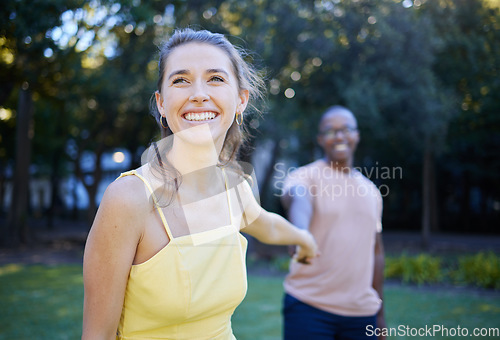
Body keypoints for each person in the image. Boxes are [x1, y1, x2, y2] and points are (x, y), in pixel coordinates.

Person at [82, 28, 318, 340]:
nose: (198, 93)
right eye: (180, 80)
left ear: (240, 100)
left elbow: (266, 224)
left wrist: (304, 240)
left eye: (216, 79)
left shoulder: (233, 184)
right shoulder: (129, 199)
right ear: (162, 103)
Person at [280, 105, 386, 340]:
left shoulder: (372, 192)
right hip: (309, 308)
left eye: (346, 129)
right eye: (330, 131)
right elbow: (298, 198)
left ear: (356, 135)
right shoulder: (304, 176)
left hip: (362, 314)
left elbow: (376, 252)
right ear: (320, 139)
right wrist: (300, 233)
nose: (339, 136)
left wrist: (380, 313)